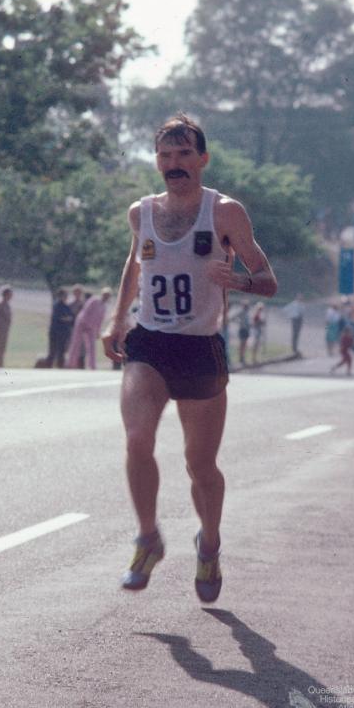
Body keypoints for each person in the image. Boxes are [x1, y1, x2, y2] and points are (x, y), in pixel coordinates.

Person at [102, 113, 277, 602]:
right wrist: (118, 320)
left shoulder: (224, 213)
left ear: (202, 159)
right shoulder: (143, 212)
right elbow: (133, 265)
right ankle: (148, 537)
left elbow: (268, 279)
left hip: (201, 346)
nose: (173, 164)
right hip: (150, 342)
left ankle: (210, 543)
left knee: (200, 465)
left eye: (183, 155)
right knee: (138, 438)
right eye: (165, 155)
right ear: (156, 161)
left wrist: (238, 280)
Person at [66, 287, 112, 369]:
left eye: (108, 295)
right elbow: (85, 311)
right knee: (76, 343)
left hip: (91, 327)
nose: (106, 297)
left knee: (91, 346)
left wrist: (97, 332)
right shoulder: (94, 300)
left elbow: (100, 321)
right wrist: (84, 323)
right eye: (105, 295)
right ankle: (71, 364)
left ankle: (92, 365)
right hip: (82, 323)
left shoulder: (104, 307)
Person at [46, 287, 74, 368]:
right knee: (52, 351)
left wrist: (69, 319)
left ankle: (60, 366)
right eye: (64, 295)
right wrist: (67, 319)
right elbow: (59, 317)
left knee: (62, 351)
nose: (66, 297)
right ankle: (48, 366)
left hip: (63, 333)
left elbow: (71, 317)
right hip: (56, 332)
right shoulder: (57, 305)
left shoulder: (66, 306)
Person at [236, 300, 251, 366]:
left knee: (245, 344)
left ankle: (243, 357)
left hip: (246, 330)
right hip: (242, 330)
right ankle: (240, 358)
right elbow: (234, 317)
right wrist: (240, 323)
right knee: (242, 344)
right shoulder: (241, 312)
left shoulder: (247, 313)